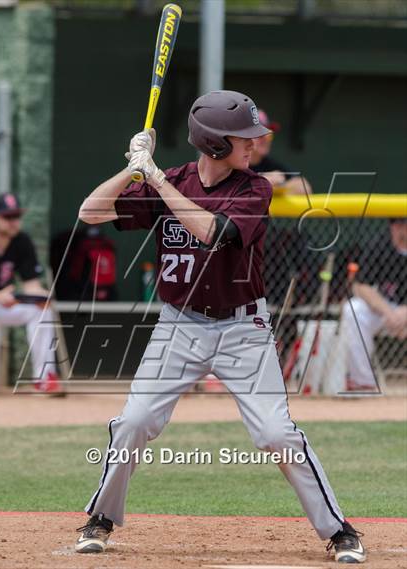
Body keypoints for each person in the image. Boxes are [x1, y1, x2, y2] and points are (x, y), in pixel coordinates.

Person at [74, 90, 365, 563]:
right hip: (178, 326)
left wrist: (157, 182)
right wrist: (133, 169)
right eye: (244, 138)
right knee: (134, 421)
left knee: (276, 434)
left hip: (242, 329)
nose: (255, 144)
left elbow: (214, 233)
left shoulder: (254, 188)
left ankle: (338, 530)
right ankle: (101, 518)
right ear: (213, 144)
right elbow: (90, 212)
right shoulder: (170, 179)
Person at [0, 193, 61, 393]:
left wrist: (40, 296)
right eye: (8, 217)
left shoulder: (22, 241)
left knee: (41, 310)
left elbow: (31, 284)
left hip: (1, 303)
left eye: (16, 216)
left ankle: (45, 377)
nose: (14, 222)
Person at [342, 217, 407, 391]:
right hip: (385, 311)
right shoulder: (379, 245)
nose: (399, 228)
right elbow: (360, 286)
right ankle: (364, 381)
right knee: (353, 309)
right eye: (395, 224)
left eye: (403, 223)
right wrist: (389, 313)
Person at [250, 108, 312, 195]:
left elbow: (304, 187)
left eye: (268, 133)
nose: (266, 139)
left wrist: (280, 187)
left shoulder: (270, 164)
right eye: (259, 134)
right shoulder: (233, 165)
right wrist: (260, 183)